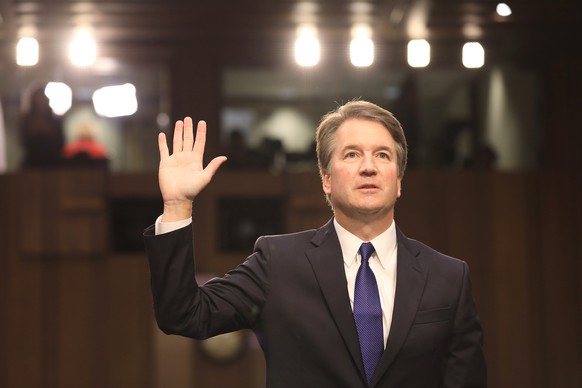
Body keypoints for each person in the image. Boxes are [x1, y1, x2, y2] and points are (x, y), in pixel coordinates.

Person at [143, 100, 487, 387]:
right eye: (352, 155)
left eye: (382, 155)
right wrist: (177, 207)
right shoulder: (278, 263)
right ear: (326, 179)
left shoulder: (448, 277)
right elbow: (184, 314)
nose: (368, 167)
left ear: (398, 181)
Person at [19, 87, 65, 168]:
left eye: (43, 98)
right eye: (39, 99)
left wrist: (48, 131)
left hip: (52, 163)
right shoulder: (27, 121)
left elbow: (61, 143)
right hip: (32, 163)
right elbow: (23, 142)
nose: (41, 102)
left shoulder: (54, 122)